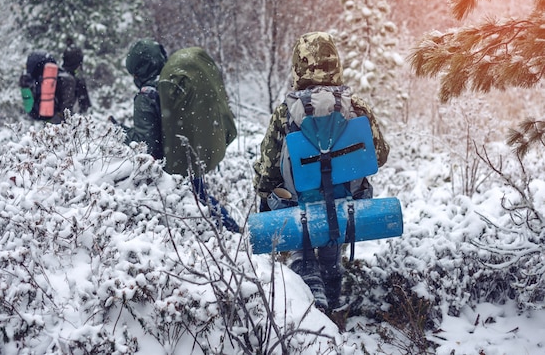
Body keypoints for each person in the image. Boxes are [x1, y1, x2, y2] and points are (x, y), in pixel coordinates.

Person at [252, 31, 390, 313]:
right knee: (336, 201)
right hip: (346, 203)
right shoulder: (356, 107)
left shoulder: (285, 113)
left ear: (298, 68)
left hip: (300, 206)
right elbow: (380, 155)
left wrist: (266, 194)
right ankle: (331, 268)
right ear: (335, 64)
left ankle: (304, 266)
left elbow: (266, 173)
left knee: (284, 195)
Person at [114, 39, 240, 233]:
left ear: (138, 71)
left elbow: (147, 144)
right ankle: (232, 233)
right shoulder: (173, 83)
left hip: (171, 167)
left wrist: (121, 132)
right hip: (188, 155)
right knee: (202, 200)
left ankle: (233, 235)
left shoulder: (146, 96)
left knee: (201, 204)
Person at [62, 40, 92, 114]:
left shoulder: (57, 75)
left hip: (50, 121)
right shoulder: (78, 81)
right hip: (68, 122)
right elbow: (85, 109)